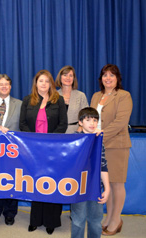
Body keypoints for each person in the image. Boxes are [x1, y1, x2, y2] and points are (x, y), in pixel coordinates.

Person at [19, 70, 67, 235]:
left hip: (53, 149)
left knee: (52, 184)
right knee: (36, 184)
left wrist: (50, 141)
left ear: (51, 84)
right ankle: (35, 220)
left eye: (47, 81)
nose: (44, 84)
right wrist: (34, 141)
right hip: (34, 149)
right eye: (41, 81)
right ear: (36, 83)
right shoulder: (27, 100)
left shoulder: (58, 100)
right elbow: (22, 124)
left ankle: (51, 221)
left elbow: (63, 124)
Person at [90, 64, 133, 236]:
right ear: (101, 79)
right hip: (97, 145)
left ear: (117, 78)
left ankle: (116, 219)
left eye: (112, 75)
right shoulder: (95, 96)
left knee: (116, 183)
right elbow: (89, 117)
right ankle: (108, 217)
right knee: (106, 184)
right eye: (105, 75)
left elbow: (120, 122)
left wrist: (101, 136)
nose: (108, 78)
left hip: (116, 145)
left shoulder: (123, 96)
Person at [71, 107, 110, 238]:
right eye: (88, 120)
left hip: (95, 187)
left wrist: (107, 188)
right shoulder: (73, 140)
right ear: (80, 122)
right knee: (78, 219)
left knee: (95, 220)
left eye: (95, 120)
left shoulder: (98, 140)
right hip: (78, 186)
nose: (92, 123)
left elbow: (103, 166)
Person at [0, 74, 22, 225]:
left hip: (13, 150)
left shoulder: (20, 104)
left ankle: (10, 212)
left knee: (11, 180)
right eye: (0, 84)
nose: (3, 87)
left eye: (6, 84)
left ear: (11, 87)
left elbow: (23, 126)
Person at [55, 65, 89, 133]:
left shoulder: (81, 96)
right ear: (60, 77)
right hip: (57, 132)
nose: (68, 78)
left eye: (70, 75)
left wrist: (81, 127)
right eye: (65, 75)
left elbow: (87, 115)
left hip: (76, 133)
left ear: (74, 78)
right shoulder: (53, 95)